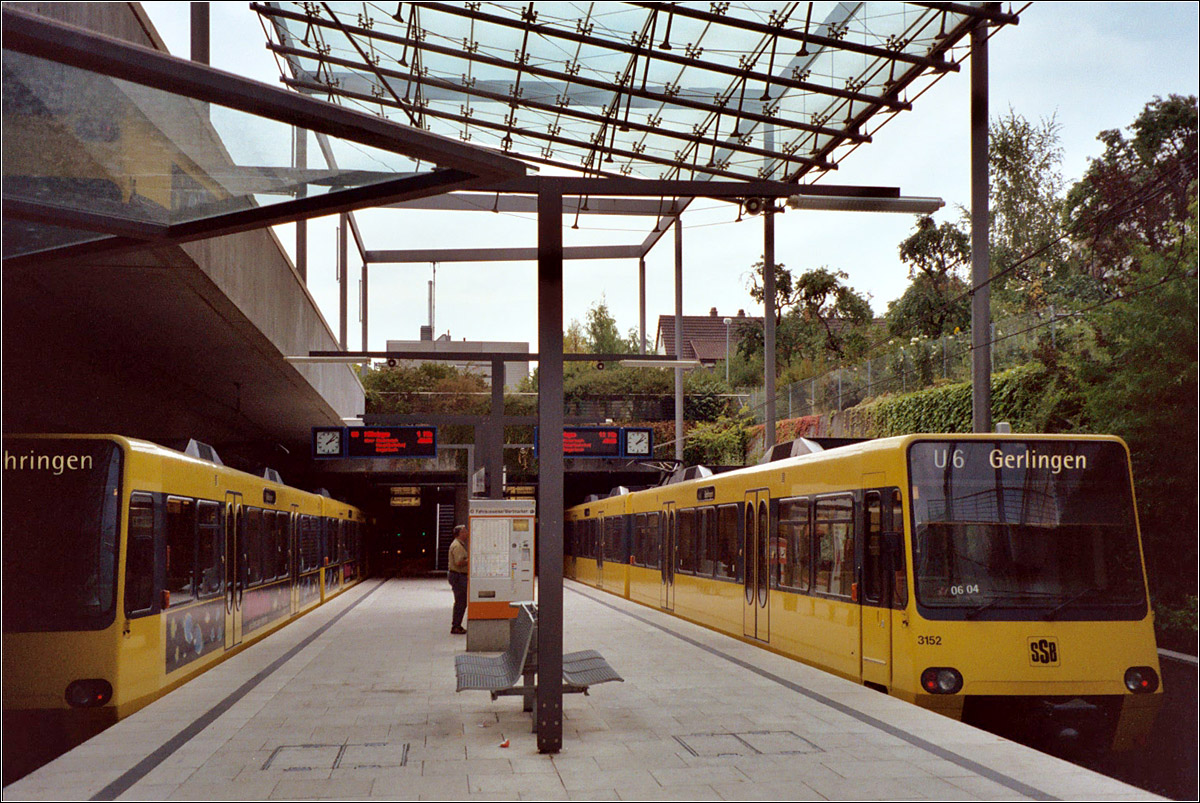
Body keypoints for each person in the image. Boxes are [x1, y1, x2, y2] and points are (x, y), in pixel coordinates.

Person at [447, 524, 469, 634]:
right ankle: (456, 626)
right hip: (458, 576)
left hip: (458, 576)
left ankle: (457, 625)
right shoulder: (457, 546)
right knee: (461, 602)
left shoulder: (459, 545)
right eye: (465, 531)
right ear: (460, 534)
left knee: (461, 601)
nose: (467, 533)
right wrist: (470, 560)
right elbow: (459, 562)